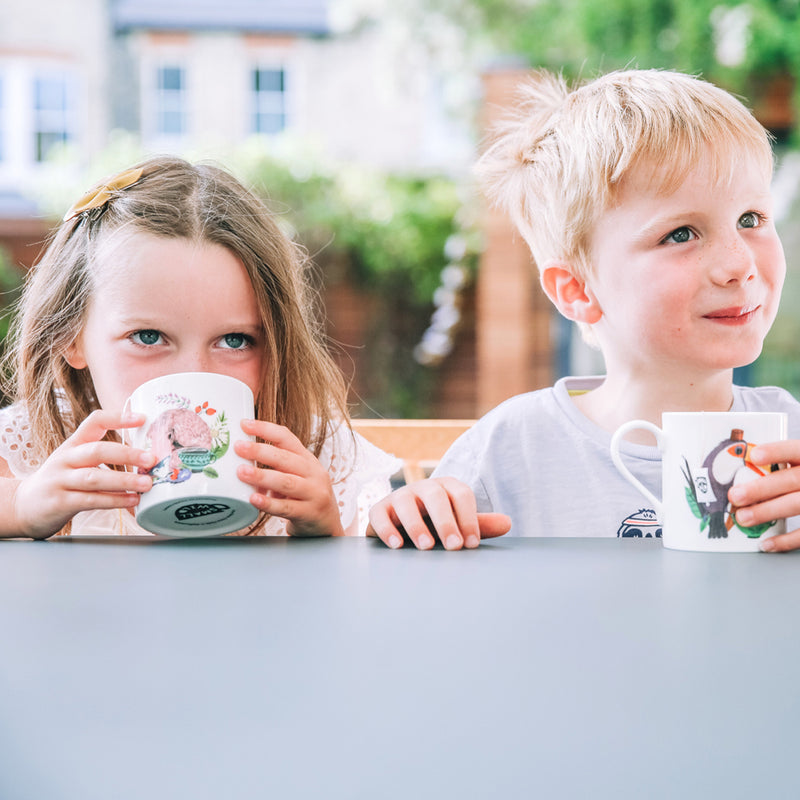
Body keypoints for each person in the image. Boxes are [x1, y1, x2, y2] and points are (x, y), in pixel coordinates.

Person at [368, 67, 800, 551]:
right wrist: (411, 525)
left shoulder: (794, 437)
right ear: (577, 290)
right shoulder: (510, 451)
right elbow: (433, 600)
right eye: (680, 234)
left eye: (751, 219)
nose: (738, 265)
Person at [0, 156, 400, 539]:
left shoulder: (316, 456)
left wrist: (325, 529)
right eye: (149, 337)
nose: (194, 374)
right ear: (71, 337)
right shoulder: (33, 443)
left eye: (235, 340)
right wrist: (21, 505)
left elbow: (357, 591)